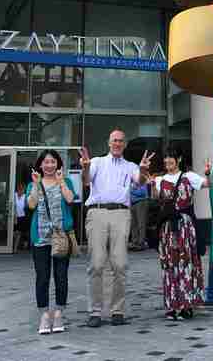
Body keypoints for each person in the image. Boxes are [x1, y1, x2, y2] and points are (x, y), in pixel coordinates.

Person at [79, 129, 154, 327]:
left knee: (120, 265)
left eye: (121, 141)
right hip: (97, 213)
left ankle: (117, 310)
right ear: (108, 142)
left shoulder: (130, 166)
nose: (118, 143)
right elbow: (86, 181)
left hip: (121, 214)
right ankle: (95, 312)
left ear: (124, 144)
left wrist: (145, 170)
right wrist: (85, 168)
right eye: (115, 140)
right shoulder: (96, 162)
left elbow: (140, 181)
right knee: (96, 264)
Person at [154, 151, 212, 321]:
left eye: (171, 157)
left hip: (185, 225)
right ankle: (172, 305)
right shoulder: (159, 180)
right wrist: (149, 182)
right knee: (170, 264)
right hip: (167, 227)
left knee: (186, 262)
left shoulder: (189, 177)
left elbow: (208, 184)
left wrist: (208, 172)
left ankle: (187, 305)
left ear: (178, 159)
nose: (168, 160)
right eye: (166, 158)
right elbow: (156, 198)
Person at [27, 150, 76, 335]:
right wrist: (35, 184)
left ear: (58, 164)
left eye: (52, 162)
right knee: (42, 278)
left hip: (61, 237)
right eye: (46, 162)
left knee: (61, 277)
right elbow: (31, 205)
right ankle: (44, 316)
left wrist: (61, 180)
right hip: (40, 238)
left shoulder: (67, 181)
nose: (49, 165)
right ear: (40, 165)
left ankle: (58, 314)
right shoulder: (35, 184)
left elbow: (71, 199)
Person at [129, 181, 149, 251]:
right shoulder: (129, 181)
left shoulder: (141, 179)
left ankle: (141, 243)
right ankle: (135, 242)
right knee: (133, 224)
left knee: (141, 223)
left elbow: (142, 193)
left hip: (141, 202)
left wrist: (130, 190)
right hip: (132, 203)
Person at [13, 183, 29, 252]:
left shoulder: (25, 196)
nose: (21, 191)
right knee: (14, 233)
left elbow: (27, 206)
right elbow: (13, 206)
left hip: (22, 217)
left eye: (23, 190)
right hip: (14, 216)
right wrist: (15, 216)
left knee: (19, 233)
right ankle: (13, 246)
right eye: (20, 189)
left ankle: (15, 248)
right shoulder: (14, 195)